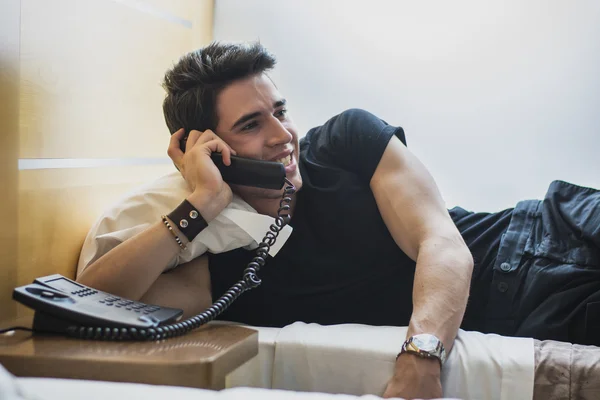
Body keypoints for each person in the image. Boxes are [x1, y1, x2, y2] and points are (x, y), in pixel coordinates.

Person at [77, 41, 600, 399]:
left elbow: (442, 243)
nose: (282, 135)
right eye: (251, 125)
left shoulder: (347, 139)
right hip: (531, 305)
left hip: (544, 230)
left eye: (280, 111)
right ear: (206, 149)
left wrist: (421, 355)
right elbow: (91, 303)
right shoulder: (231, 263)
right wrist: (201, 204)